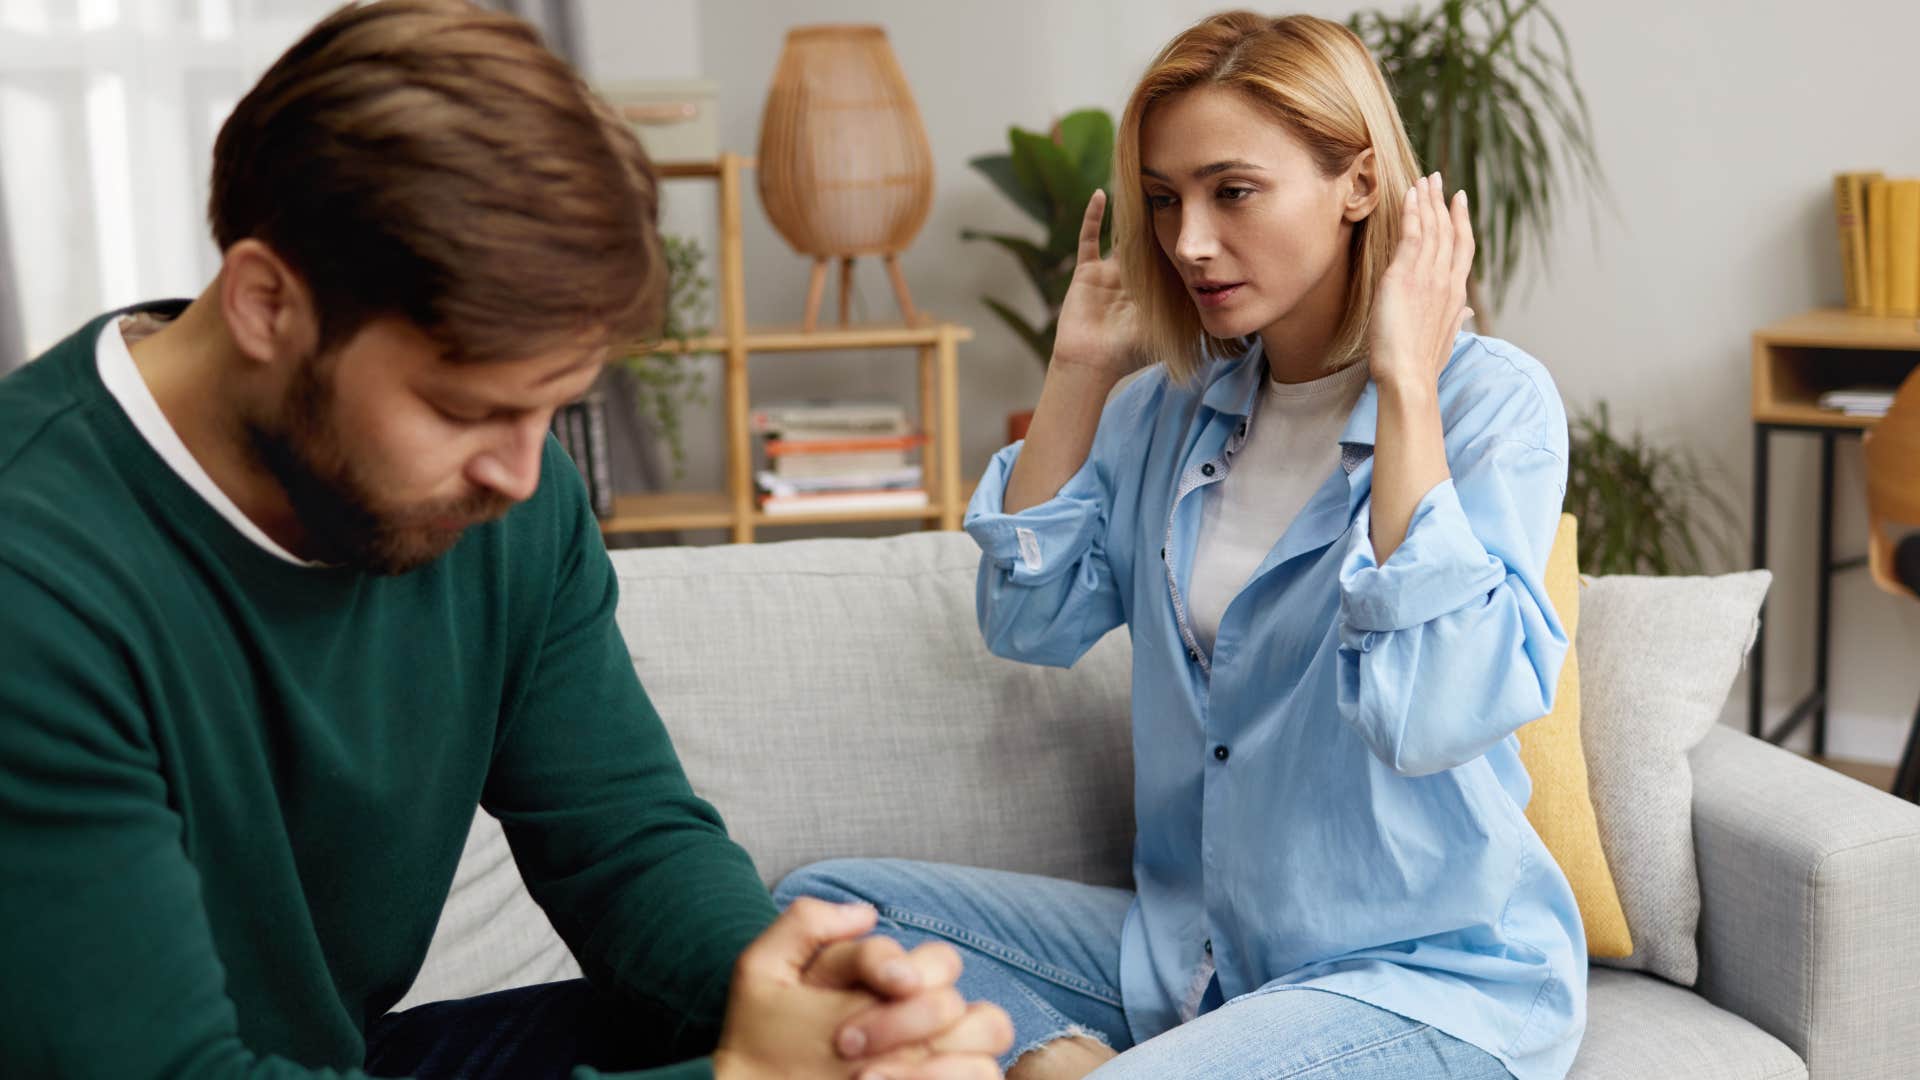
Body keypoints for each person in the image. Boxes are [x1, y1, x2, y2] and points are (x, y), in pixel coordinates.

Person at [0, 3, 1011, 1078]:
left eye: (554, 411)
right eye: (464, 409)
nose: (522, 478)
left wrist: (812, 1015)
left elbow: (623, 843)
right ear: (264, 303)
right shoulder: (36, 581)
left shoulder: (506, 501)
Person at [777, 11, 1583, 1080]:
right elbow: (1030, 622)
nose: (1190, 240)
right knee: (820, 913)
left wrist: (1405, 388)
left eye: (1232, 191)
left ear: (1356, 183)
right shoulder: (1169, 407)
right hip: (1195, 955)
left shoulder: (1490, 406)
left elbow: (1435, 712)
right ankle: (1057, 1060)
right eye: (1165, 199)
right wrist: (1079, 371)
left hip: (1423, 978)